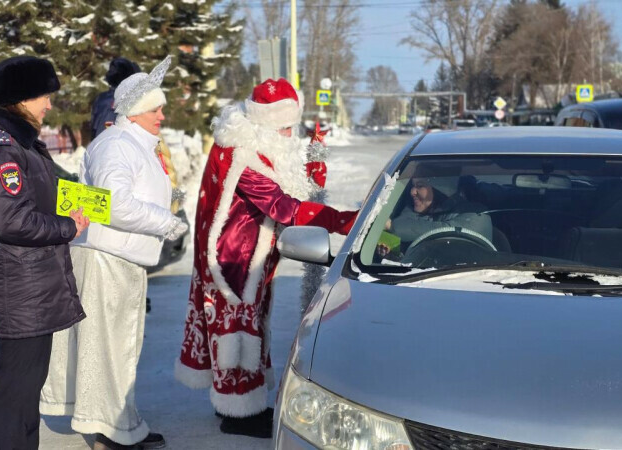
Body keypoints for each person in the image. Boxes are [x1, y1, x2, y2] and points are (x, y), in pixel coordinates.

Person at [175, 78, 358, 438]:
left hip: (250, 254)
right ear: (265, 123)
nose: (290, 135)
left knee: (250, 326)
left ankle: (243, 402)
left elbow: (293, 189)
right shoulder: (242, 155)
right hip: (233, 259)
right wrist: (343, 221)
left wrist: (314, 163)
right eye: (284, 128)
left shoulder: (255, 145)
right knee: (235, 331)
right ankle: (238, 412)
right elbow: (283, 206)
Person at [40, 56, 186, 450]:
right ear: (135, 112)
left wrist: (168, 199)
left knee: (119, 348)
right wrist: (164, 221)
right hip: (106, 260)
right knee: (108, 348)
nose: (162, 115)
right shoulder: (117, 145)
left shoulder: (131, 143)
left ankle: (121, 424)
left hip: (120, 258)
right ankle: (110, 430)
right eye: (155, 108)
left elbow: (129, 191)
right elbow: (114, 203)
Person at [0, 55, 90, 449]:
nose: (49, 104)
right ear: (20, 99)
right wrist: (68, 227)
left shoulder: (17, 140)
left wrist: (81, 202)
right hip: (21, 284)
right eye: (43, 96)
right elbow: (12, 220)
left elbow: (37, 195)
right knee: (18, 391)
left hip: (31, 281)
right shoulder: (1, 148)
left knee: (26, 388)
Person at [382, 165, 492, 254]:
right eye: (413, 186)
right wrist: (394, 254)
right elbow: (406, 224)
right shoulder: (420, 211)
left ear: (441, 189)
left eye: (420, 186)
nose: (412, 192)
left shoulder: (477, 214)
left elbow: (446, 231)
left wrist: (392, 226)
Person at [91, 57, 141, 138]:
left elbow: (94, 128)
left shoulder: (102, 98)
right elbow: (108, 129)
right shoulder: (121, 101)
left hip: (100, 141)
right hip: (112, 142)